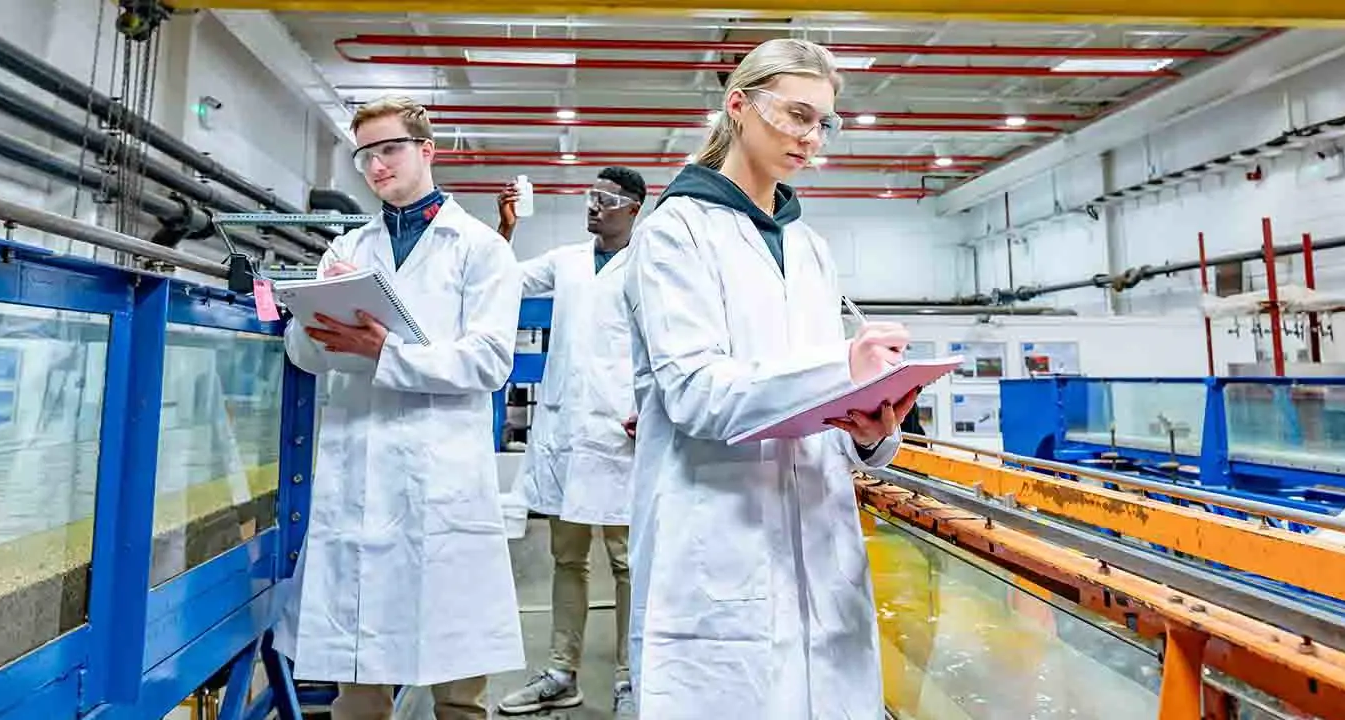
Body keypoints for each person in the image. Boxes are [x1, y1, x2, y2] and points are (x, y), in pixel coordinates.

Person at [623, 39, 916, 720]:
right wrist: (841, 368)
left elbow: (822, 413)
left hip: (819, 539)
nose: (811, 138)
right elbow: (697, 393)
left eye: (823, 124)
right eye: (796, 115)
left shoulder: (808, 247)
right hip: (718, 535)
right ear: (739, 105)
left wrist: (870, 431)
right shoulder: (676, 231)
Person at [278, 95, 525, 720]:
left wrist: (385, 352)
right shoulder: (350, 251)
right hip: (360, 467)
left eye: (389, 149)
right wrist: (317, 318)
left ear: (426, 150)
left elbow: (489, 362)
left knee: (457, 669)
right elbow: (305, 357)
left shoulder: (480, 249)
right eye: (364, 155)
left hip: (442, 472)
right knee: (357, 664)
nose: (376, 166)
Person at [491, 167, 648, 718]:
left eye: (605, 199)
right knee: (567, 557)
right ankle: (562, 672)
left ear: (632, 208)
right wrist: (505, 230)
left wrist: (647, 406)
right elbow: (501, 281)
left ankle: (633, 678)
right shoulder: (567, 261)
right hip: (567, 431)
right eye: (589, 196)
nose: (593, 206)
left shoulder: (649, 264)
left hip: (624, 433)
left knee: (629, 561)